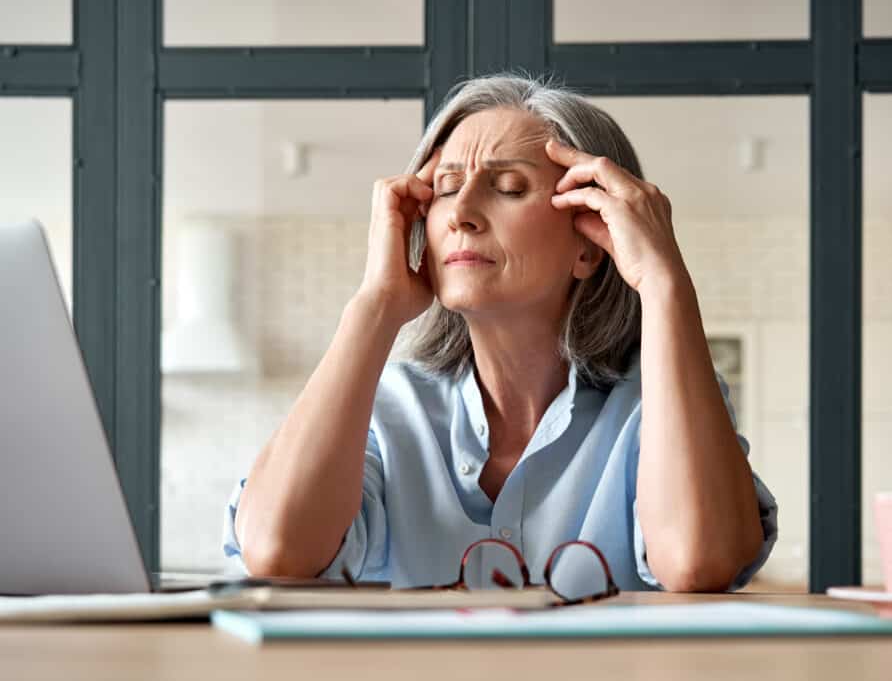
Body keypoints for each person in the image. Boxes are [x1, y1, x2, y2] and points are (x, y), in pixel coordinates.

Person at [223, 72, 778, 593]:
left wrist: (663, 283)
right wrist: (373, 306)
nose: (461, 212)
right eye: (444, 187)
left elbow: (701, 562)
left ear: (593, 240)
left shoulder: (657, 405)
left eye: (509, 187)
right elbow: (277, 553)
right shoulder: (384, 408)